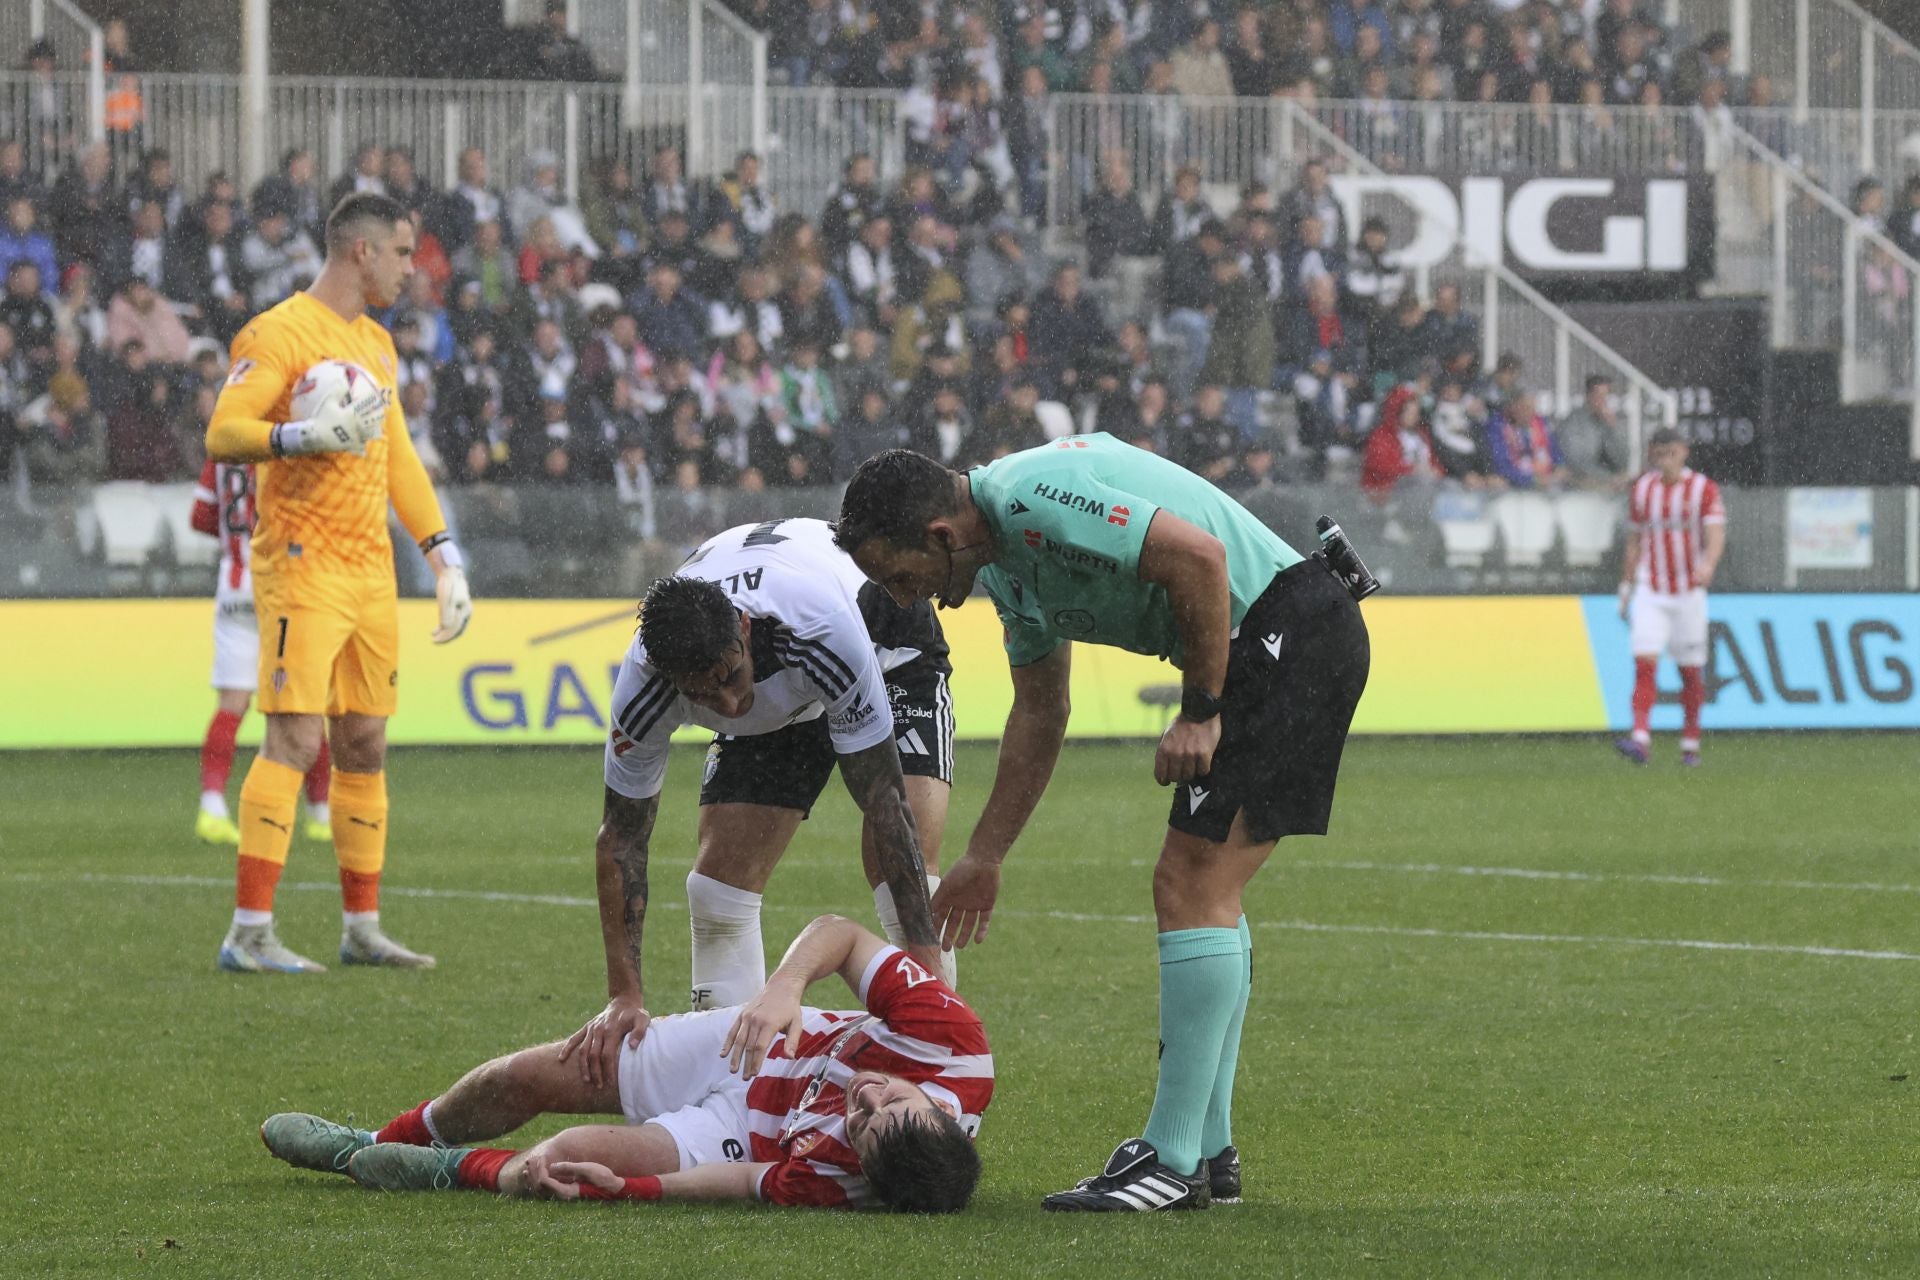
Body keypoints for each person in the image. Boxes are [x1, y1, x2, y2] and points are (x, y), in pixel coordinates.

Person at [834, 439, 1372, 1212]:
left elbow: (1202, 559)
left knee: (1189, 883)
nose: (908, 597)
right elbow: (1042, 709)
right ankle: (1207, 1151)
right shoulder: (1009, 572)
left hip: (1287, 635)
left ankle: (1172, 1156)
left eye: (901, 576)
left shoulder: (1030, 498)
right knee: (1205, 886)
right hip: (1287, 637)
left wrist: (1199, 713)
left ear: (942, 536)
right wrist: (986, 855)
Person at [558, 518, 955, 1098]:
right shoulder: (644, 686)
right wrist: (625, 994)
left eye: (727, 678)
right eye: (701, 696)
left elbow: (883, 801)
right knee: (718, 890)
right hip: (782, 684)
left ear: (743, 628)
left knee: (898, 856)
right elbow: (621, 839)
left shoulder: (820, 631)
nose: (727, 705)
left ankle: (936, 1062)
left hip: (885, 645)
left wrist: (925, 971)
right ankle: (736, 1096)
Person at [259, 914, 990, 1211]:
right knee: (528, 1076)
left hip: (744, 1128)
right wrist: (784, 989)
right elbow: (841, 933)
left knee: (561, 1164)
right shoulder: (955, 1049)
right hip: (754, 1042)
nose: (862, 1096)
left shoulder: (857, 1183)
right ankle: (391, 1139)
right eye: (889, 1100)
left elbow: (743, 1178)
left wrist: (636, 1187)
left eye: (858, 1124)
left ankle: (445, 1169)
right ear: (941, 1112)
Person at [202, 192, 475, 974]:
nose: (409, 268)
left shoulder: (377, 345)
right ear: (361, 251)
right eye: (400, 252)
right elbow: (224, 432)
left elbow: (397, 459)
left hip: (369, 570)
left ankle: (362, 928)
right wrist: (301, 434)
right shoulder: (279, 331)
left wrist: (443, 556)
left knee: (364, 741)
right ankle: (249, 932)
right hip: (302, 562)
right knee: (294, 734)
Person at [189, 460, 333, 847]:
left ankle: (212, 807)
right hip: (282, 583)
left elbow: (201, 516)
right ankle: (320, 812)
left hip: (235, 584)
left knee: (232, 702)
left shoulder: (221, 451)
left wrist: (233, 536)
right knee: (303, 698)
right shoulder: (282, 445)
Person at [1616, 428, 1726, 768]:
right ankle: (1640, 739)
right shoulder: (1643, 489)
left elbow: (1715, 531)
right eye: (1659, 453)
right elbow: (1635, 540)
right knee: (1644, 663)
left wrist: (1708, 563)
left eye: (1672, 452)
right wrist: (1626, 586)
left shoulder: (1702, 489)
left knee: (1690, 673)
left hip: (1688, 592)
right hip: (1652, 588)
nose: (1666, 459)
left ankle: (1690, 745)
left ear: (1683, 452)